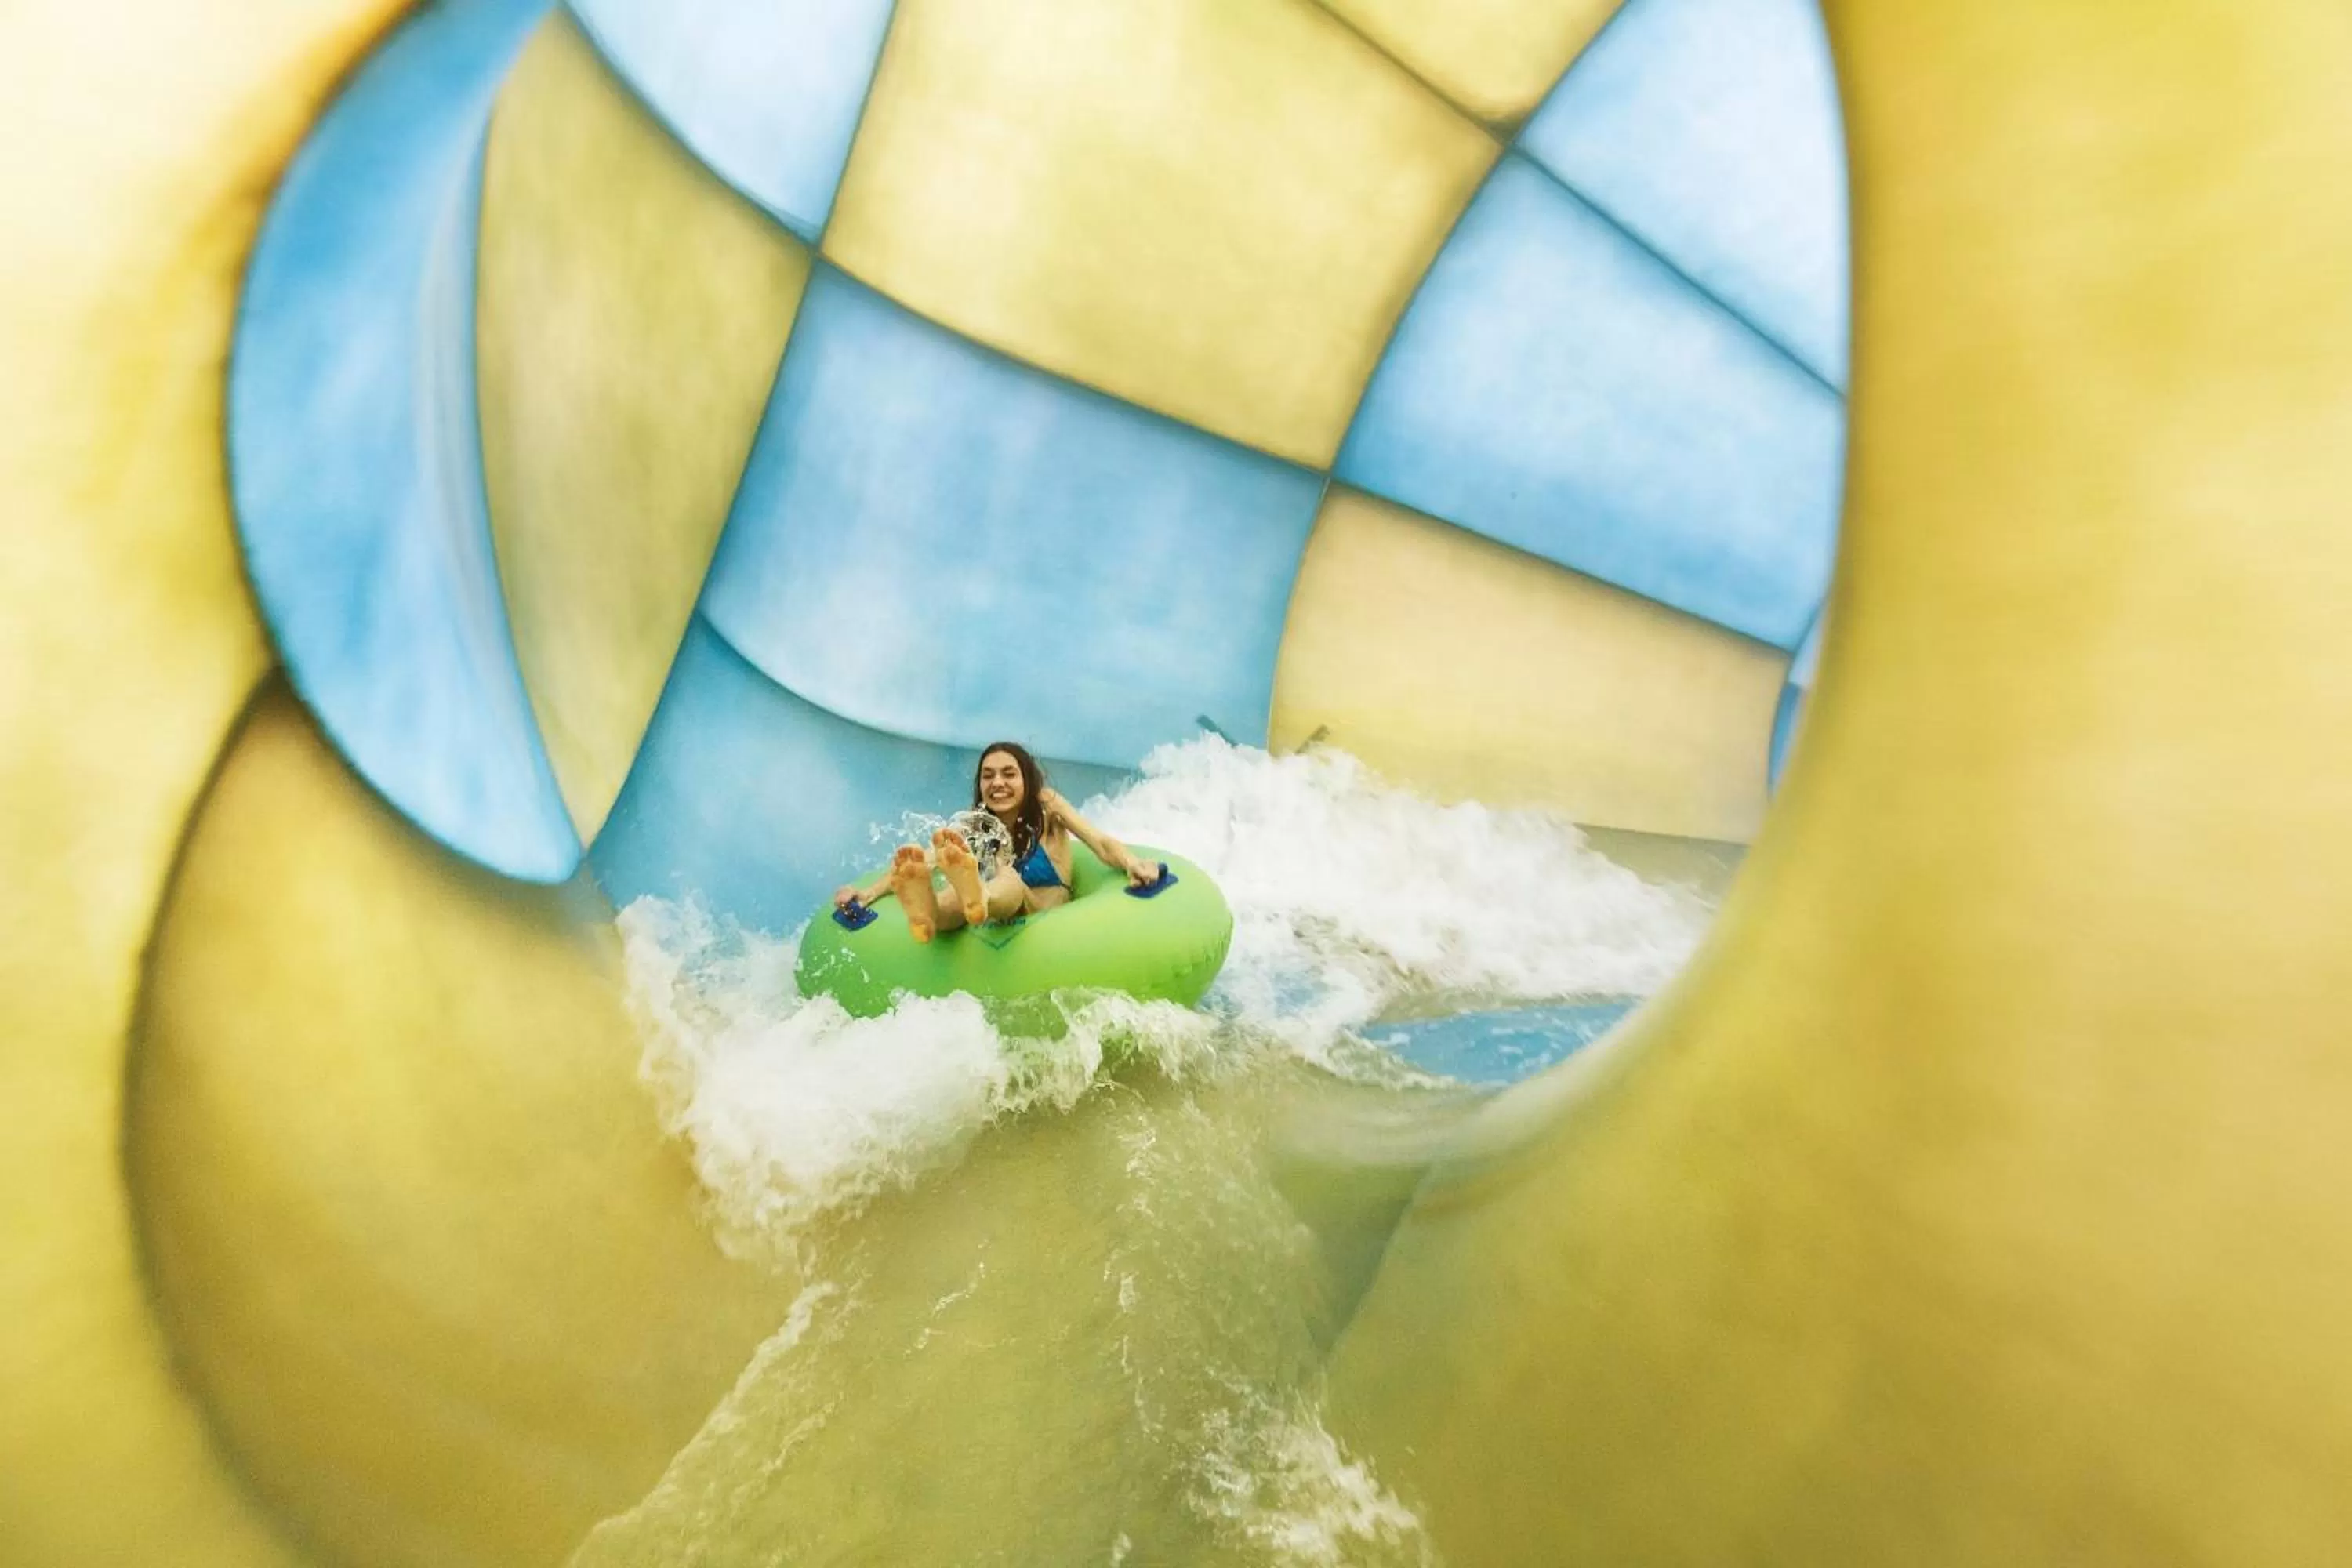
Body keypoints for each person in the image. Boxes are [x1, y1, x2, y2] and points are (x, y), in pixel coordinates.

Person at [833, 742, 1161, 943]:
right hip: (992, 915)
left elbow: (1099, 842)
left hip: (1045, 919)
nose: (997, 783)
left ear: (1026, 779)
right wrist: (868, 893)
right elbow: (928, 860)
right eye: (988, 776)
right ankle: (931, 907)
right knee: (954, 892)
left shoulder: (1047, 807)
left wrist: (1133, 863)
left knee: (1007, 878)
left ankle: (979, 894)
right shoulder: (977, 825)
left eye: (1008, 774)